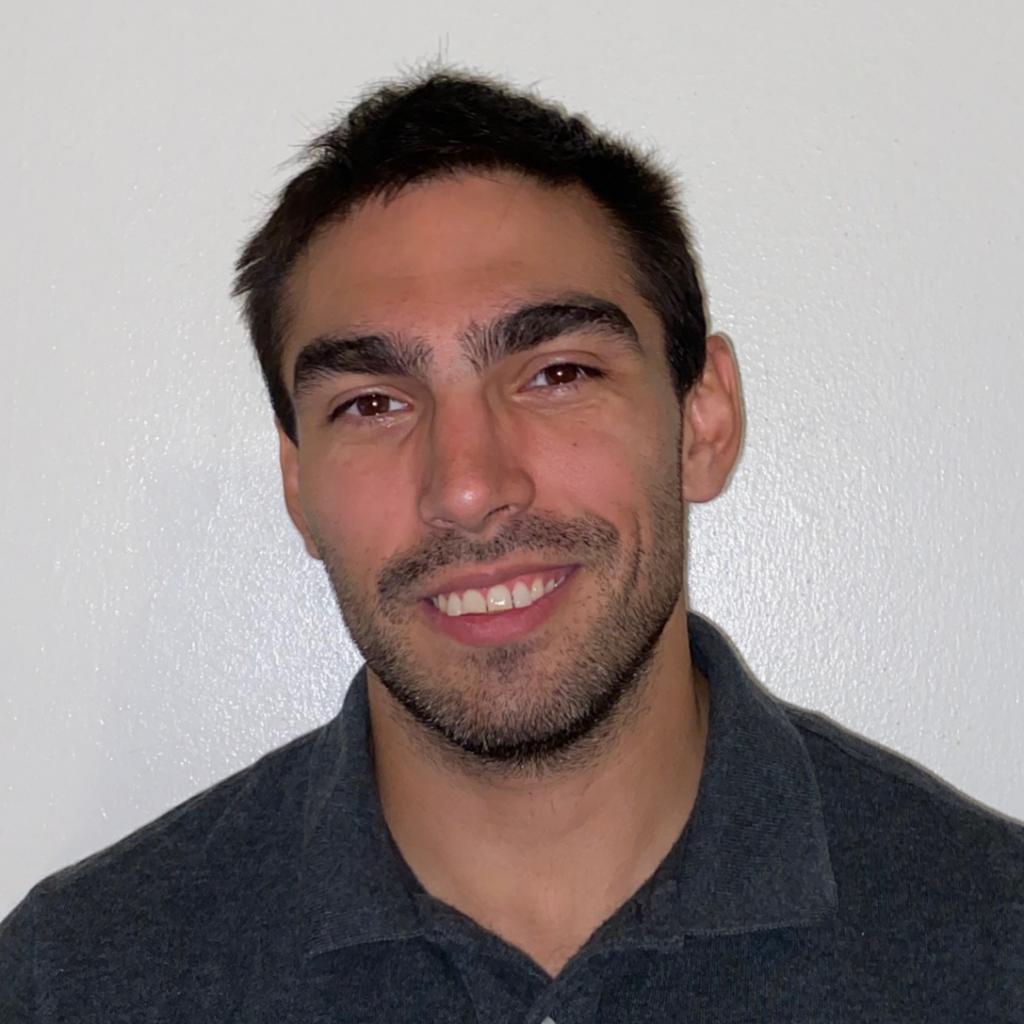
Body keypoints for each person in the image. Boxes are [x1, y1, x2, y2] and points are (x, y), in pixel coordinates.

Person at [2, 68, 1021, 1022]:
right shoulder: (75, 983)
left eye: (556, 374)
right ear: (299, 486)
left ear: (701, 421)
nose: (466, 485)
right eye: (371, 402)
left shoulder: (993, 950)